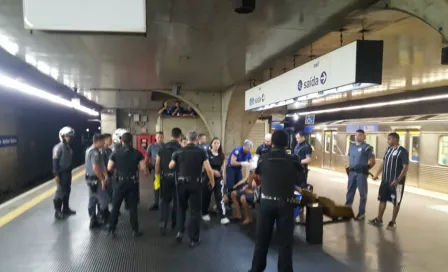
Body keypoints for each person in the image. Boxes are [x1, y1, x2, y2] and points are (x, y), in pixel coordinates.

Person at [249, 130, 302, 272]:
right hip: (286, 204)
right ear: (286, 143)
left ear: (272, 142)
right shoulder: (293, 160)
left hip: (266, 203)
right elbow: (299, 179)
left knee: (261, 241)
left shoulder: (263, 159)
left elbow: (258, 176)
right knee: (285, 243)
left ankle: (256, 269)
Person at [169, 131, 215, 247]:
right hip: (195, 184)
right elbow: (209, 169)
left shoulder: (178, 151)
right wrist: (212, 181)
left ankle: (180, 232)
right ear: (196, 139)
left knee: (181, 208)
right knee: (194, 211)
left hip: (181, 184)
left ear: (187, 139)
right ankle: (194, 238)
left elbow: (171, 165)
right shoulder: (201, 152)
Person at [107, 132, 148, 237]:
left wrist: (118, 170)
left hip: (119, 183)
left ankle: (111, 229)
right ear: (131, 141)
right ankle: (135, 230)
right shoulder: (137, 153)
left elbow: (109, 167)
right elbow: (143, 168)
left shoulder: (115, 153)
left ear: (121, 141)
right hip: (132, 183)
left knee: (115, 206)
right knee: (133, 207)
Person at [369, 132, 409, 230]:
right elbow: (383, 162)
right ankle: (379, 220)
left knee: (396, 202)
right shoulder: (388, 150)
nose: (387, 141)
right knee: (382, 199)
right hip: (385, 181)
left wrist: (398, 179)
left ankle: (393, 222)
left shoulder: (402, 151)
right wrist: (376, 174)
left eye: (389, 139)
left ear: (395, 139)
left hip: (397, 183)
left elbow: (405, 167)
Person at [155, 127, 182, 235]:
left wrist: (157, 177)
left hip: (165, 178)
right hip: (177, 179)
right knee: (176, 202)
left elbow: (157, 163)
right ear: (179, 137)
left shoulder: (162, 148)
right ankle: (174, 224)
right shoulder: (181, 149)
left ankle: (163, 223)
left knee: (165, 201)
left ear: (171, 136)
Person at [346, 129, 376, 220]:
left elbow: (372, 161)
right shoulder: (351, 147)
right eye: (356, 135)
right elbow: (350, 158)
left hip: (361, 174)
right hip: (352, 173)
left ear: (364, 136)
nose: (357, 137)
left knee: (363, 194)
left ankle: (361, 213)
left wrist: (366, 169)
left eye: (360, 135)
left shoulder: (367, 148)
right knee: (350, 192)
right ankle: (346, 211)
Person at [201, 137, 230, 225]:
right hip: (208, 178)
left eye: (218, 143)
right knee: (206, 197)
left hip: (218, 180)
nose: (216, 145)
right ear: (211, 144)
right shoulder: (207, 154)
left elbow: (223, 167)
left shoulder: (221, 155)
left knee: (219, 197)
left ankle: (223, 216)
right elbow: (204, 167)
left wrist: (223, 176)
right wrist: (213, 172)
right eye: (215, 143)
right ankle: (204, 212)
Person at [85, 134, 110, 228]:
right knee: (104, 200)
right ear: (98, 141)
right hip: (96, 180)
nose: (104, 143)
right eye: (103, 141)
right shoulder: (94, 152)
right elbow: (95, 168)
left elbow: (101, 165)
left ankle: (93, 221)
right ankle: (103, 221)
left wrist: (106, 174)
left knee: (92, 200)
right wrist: (102, 179)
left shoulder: (89, 150)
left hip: (90, 180)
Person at [52, 126, 76, 220]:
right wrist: (56, 174)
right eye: (67, 136)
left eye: (70, 136)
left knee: (67, 190)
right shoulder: (58, 147)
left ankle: (65, 209)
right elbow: (55, 161)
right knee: (60, 192)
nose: (69, 138)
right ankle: (57, 212)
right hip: (61, 173)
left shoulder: (68, 148)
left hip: (68, 173)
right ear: (62, 136)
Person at [147, 131, 164, 211]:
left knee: (164, 187)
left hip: (165, 170)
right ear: (155, 138)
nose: (160, 139)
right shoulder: (151, 146)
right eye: (158, 137)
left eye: (161, 137)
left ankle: (164, 203)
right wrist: (145, 169)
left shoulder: (166, 146)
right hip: (156, 171)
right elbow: (147, 157)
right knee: (156, 186)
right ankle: (156, 203)